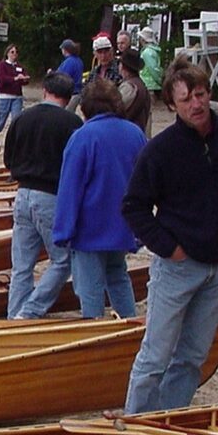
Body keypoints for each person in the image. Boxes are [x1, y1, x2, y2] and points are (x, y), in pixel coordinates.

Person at [121, 56, 218, 414]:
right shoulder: (161, 150)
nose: (196, 104)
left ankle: (169, 416)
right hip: (178, 265)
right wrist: (169, 248)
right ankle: (136, 423)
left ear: (208, 93)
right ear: (172, 104)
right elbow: (134, 206)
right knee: (155, 354)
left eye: (200, 94)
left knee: (192, 355)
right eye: (185, 99)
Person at [54, 78, 147, 318]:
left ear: (86, 107)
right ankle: (131, 326)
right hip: (123, 223)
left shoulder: (83, 137)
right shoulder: (135, 134)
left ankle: (94, 332)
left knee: (90, 288)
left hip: (90, 228)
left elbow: (70, 187)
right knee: (118, 277)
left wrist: (63, 230)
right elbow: (145, 182)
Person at [3, 71, 83, 319]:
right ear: (68, 97)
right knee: (62, 260)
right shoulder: (73, 124)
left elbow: (8, 160)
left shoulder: (22, 118)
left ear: (44, 91)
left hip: (22, 192)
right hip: (52, 195)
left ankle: (14, 315)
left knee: (21, 266)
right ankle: (29, 312)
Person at [0, 43, 30, 139]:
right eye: (12, 52)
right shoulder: (2, 65)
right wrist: (15, 78)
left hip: (17, 97)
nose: (14, 54)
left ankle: (14, 139)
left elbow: (23, 80)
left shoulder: (19, 66)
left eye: (16, 52)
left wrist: (25, 79)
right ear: (7, 53)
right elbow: (2, 79)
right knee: (1, 121)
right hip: (4, 96)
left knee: (16, 120)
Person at [117, 49, 151, 134]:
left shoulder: (129, 87)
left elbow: (116, 110)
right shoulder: (140, 84)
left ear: (122, 66)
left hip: (128, 133)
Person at [55, 39, 84, 112]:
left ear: (65, 50)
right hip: (77, 92)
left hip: (70, 93)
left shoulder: (69, 62)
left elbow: (63, 77)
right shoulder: (79, 60)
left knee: (64, 115)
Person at [138, 27, 162, 98]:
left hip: (149, 84)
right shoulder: (153, 50)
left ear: (143, 39)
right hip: (151, 84)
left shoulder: (147, 52)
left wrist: (159, 81)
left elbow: (153, 68)